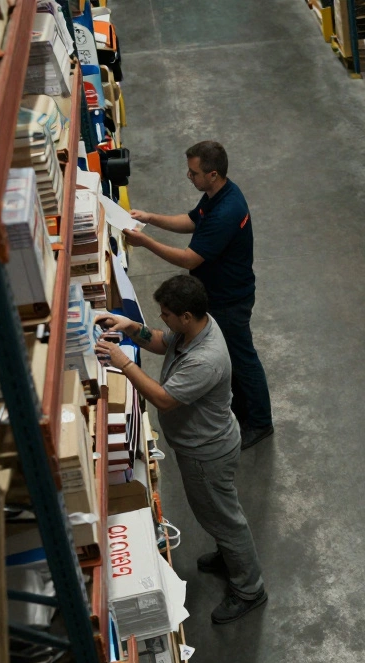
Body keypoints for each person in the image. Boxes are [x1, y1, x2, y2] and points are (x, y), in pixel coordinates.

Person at [96, 275, 267, 624]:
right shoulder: (197, 327)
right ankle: (228, 555)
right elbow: (162, 341)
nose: (162, 320)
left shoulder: (206, 359)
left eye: (167, 314)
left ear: (186, 316)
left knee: (225, 519)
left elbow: (164, 399)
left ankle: (250, 589)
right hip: (204, 445)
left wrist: (123, 362)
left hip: (207, 453)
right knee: (216, 513)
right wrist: (131, 328)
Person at [125, 141, 274, 449]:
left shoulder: (227, 210)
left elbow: (189, 259)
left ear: (213, 174)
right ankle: (240, 408)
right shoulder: (215, 196)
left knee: (242, 358)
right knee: (233, 356)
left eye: (194, 173)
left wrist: (145, 242)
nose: (189, 176)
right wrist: (150, 218)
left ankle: (260, 422)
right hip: (217, 293)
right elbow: (192, 220)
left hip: (230, 298)